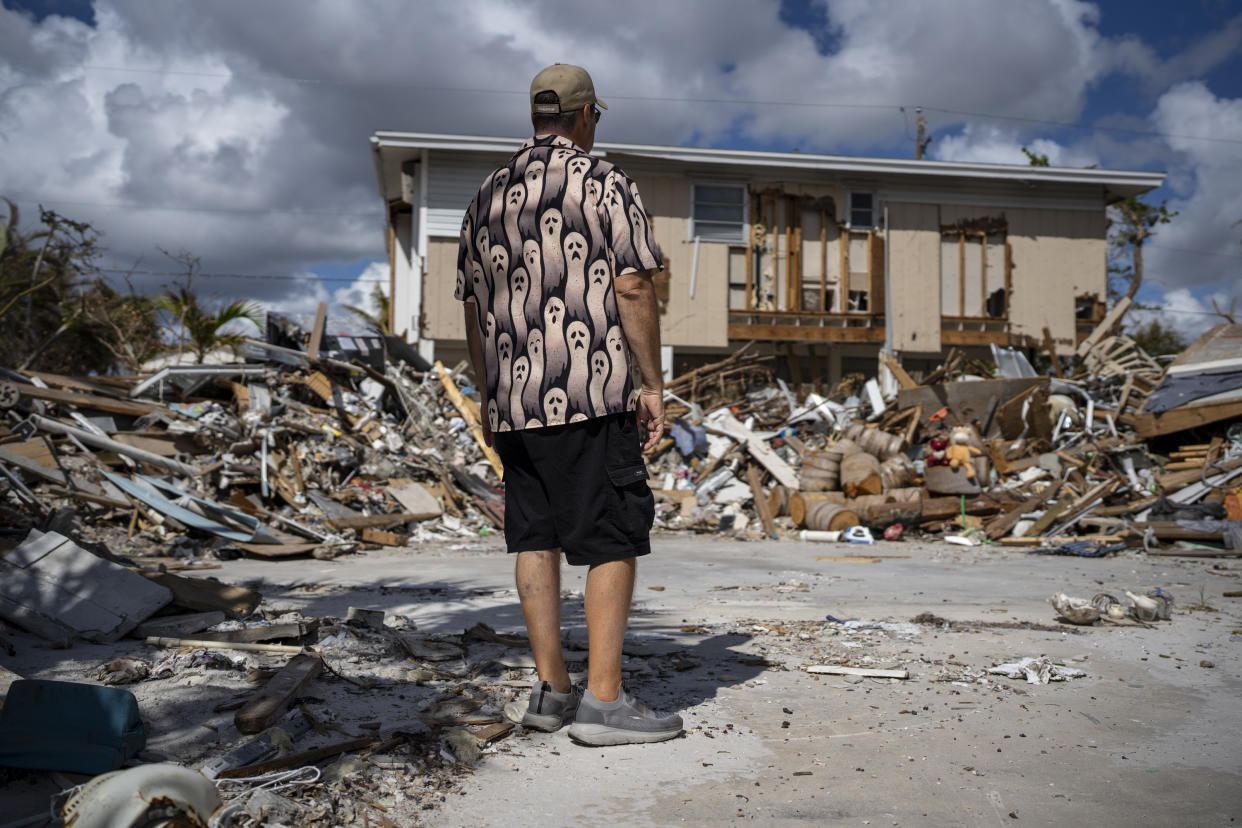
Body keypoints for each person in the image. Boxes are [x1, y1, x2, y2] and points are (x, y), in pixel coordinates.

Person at [454, 63, 682, 746]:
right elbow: (633, 284)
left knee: (535, 534)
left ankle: (552, 690)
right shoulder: (606, 182)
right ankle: (604, 703)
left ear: (535, 117)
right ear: (586, 117)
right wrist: (651, 385)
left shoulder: (487, 195)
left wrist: (491, 395)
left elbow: (473, 310)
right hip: (590, 392)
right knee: (613, 534)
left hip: (514, 402)